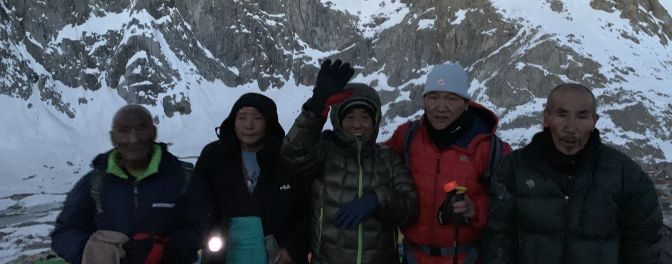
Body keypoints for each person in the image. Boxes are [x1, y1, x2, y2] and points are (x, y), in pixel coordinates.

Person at [481, 83, 663, 264]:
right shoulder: (514, 169)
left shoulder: (626, 175)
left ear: (594, 121)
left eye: (582, 116)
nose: (571, 127)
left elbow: (644, 247)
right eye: (562, 114)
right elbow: (498, 241)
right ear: (546, 118)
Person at [281, 59, 418, 264]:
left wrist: (377, 200)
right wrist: (317, 106)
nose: (357, 124)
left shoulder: (388, 157)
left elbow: (410, 209)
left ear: (375, 120)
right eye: (349, 117)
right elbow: (292, 153)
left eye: (364, 117)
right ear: (338, 120)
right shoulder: (325, 151)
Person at [51, 104, 208, 264]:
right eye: (124, 130)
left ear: (154, 132)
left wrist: (165, 249)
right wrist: (96, 251)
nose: (134, 138)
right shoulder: (94, 183)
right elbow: (63, 233)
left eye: (141, 128)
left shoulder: (183, 179)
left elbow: (204, 227)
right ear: (113, 137)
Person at [387, 63, 511, 264]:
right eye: (433, 97)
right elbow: (372, 162)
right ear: (424, 101)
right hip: (412, 256)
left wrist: (475, 209)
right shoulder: (407, 137)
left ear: (465, 103)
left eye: (451, 98)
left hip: (467, 258)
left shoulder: (489, 149)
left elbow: (510, 206)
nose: (441, 107)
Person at [195, 93, 310, 264]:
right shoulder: (214, 156)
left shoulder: (285, 159)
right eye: (242, 118)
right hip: (223, 253)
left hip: (276, 256)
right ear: (233, 123)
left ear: (269, 124)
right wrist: (208, 233)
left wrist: (292, 249)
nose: (249, 125)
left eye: (257, 118)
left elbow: (305, 210)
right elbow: (198, 200)